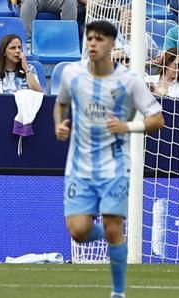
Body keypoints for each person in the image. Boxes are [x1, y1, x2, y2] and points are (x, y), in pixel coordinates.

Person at [55, 20, 164, 298]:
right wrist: (59, 124)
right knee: (78, 231)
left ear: (112, 44)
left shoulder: (129, 81)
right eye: (90, 38)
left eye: (99, 39)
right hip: (79, 166)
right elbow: (61, 104)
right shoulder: (72, 74)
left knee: (114, 223)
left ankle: (118, 292)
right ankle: (114, 238)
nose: (93, 43)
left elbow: (157, 119)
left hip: (115, 165)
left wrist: (127, 126)